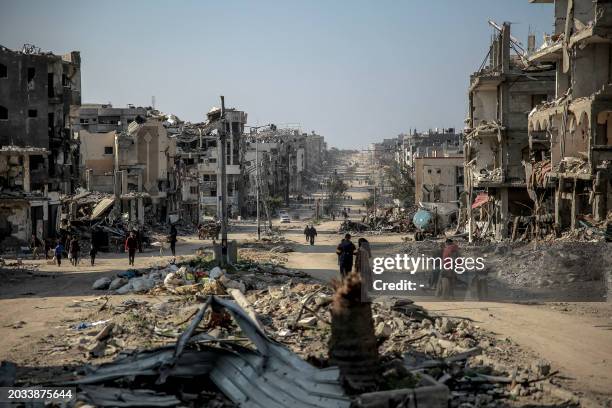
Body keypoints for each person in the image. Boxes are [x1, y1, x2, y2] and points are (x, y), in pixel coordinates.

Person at [354, 238, 373, 302]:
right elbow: (369, 257)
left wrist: (356, 269)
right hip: (366, 267)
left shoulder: (360, 250)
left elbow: (358, 261)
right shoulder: (367, 250)